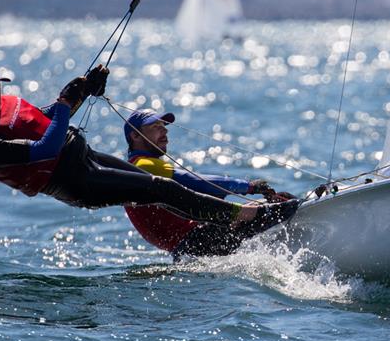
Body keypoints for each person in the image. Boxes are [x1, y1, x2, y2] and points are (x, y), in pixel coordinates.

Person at [0, 63, 298, 233]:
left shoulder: (10, 104)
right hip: (75, 182)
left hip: (85, 156)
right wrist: (64, 104)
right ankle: (243, 217)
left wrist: (81, 93)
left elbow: (45, 119)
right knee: (160, 187)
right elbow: (44, 150)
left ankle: (234, 219)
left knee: (160, 189)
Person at [122, 109, 296, 259]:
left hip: (189, 248)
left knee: (266, 205)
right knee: (285, 202)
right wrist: (249, 187)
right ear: (135, 135)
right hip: (200, 241)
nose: (164, 132)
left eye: (164, 126)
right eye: (155, 127)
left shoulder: (134, 168)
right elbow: (199, 183)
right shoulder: (144, 166)